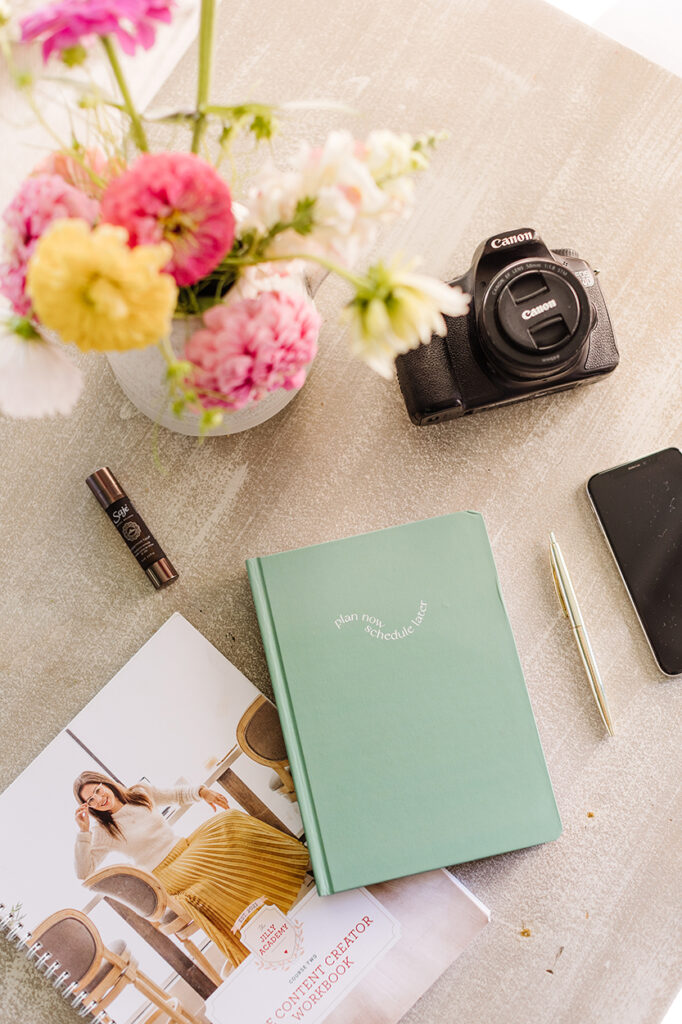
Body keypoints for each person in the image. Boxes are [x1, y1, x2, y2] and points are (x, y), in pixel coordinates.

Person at [73, 770, 309, 966]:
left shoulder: (139, 793)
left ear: (105, 783)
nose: (99, 799)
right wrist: (83, 832)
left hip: (185, 847)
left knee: (229, 821)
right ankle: (260, 932)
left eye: (97, 790)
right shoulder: (104, 831)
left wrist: (203, 792)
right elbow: (84, 872)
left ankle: (295, 870)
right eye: (91, 800)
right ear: (90, 807)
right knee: (207, 882)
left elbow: (175, 794)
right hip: (166, 873)